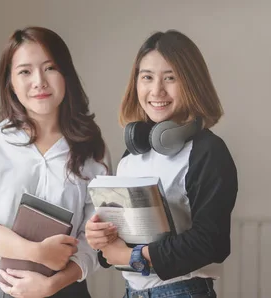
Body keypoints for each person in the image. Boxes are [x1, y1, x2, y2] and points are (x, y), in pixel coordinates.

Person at [85, 30, 238, 298]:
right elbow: (123, 243)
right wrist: (102, 238)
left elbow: (210, 242)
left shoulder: (208, 152)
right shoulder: (132, 156)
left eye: (170, 78)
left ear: (191, 83)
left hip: (183, 291)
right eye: (147, 77)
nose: (157, 90)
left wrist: (134, 256)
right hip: (133, 292)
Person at [0, 26, 109, 298]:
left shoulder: (91, 147)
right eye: (25, 71)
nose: (39, 81)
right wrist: (36, 252)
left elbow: (94, 239)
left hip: (66, 286)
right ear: (11, 83)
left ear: (66, 75)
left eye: (50, 68)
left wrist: (53, 283)